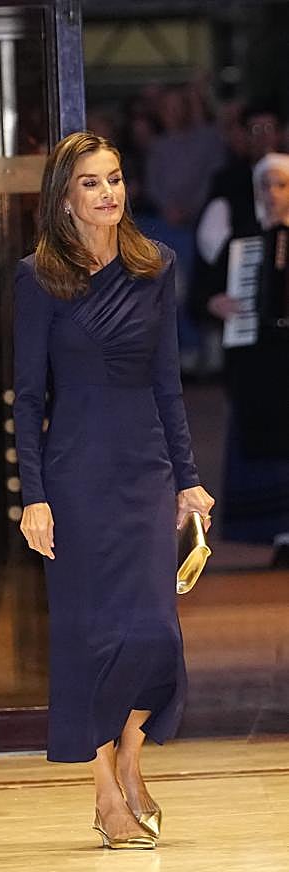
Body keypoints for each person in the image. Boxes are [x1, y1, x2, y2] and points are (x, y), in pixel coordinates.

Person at [13, 132, 214, 850]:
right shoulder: (39, 276)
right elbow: (28, 395)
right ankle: (105, 795)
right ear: (65, 196)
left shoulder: (155, 266)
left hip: (145, 471)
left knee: (155, 634)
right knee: (88, 639)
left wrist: (188, 479)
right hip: (73, 476)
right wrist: (32, 495)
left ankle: (129, 758)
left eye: (117, 179)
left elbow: (168, 383)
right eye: (92, 183)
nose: (109, 194)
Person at [197, 151, 289, 564]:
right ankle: (278, 534)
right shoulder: (243, 241)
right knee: (264, 441)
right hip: (258, 361)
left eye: (281, 185)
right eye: (265, 186)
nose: (272, 194)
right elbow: (202, 294)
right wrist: (214, 302)